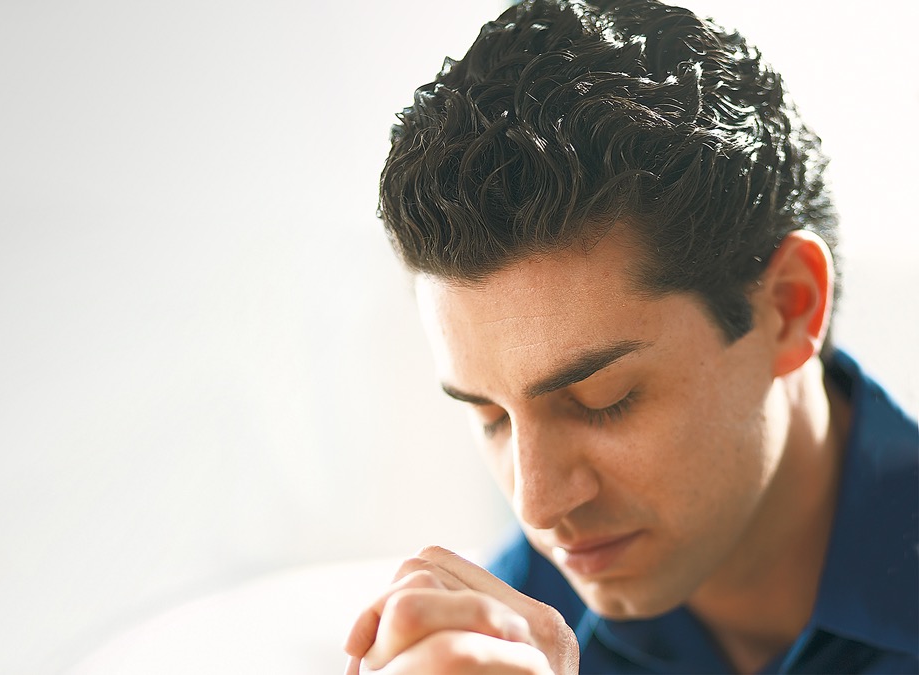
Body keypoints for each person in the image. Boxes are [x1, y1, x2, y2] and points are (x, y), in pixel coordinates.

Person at [342, 1, 919, 673]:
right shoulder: (514, 629)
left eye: (602, 400)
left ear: (790, 306)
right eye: (491, 417)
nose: (537, 505)